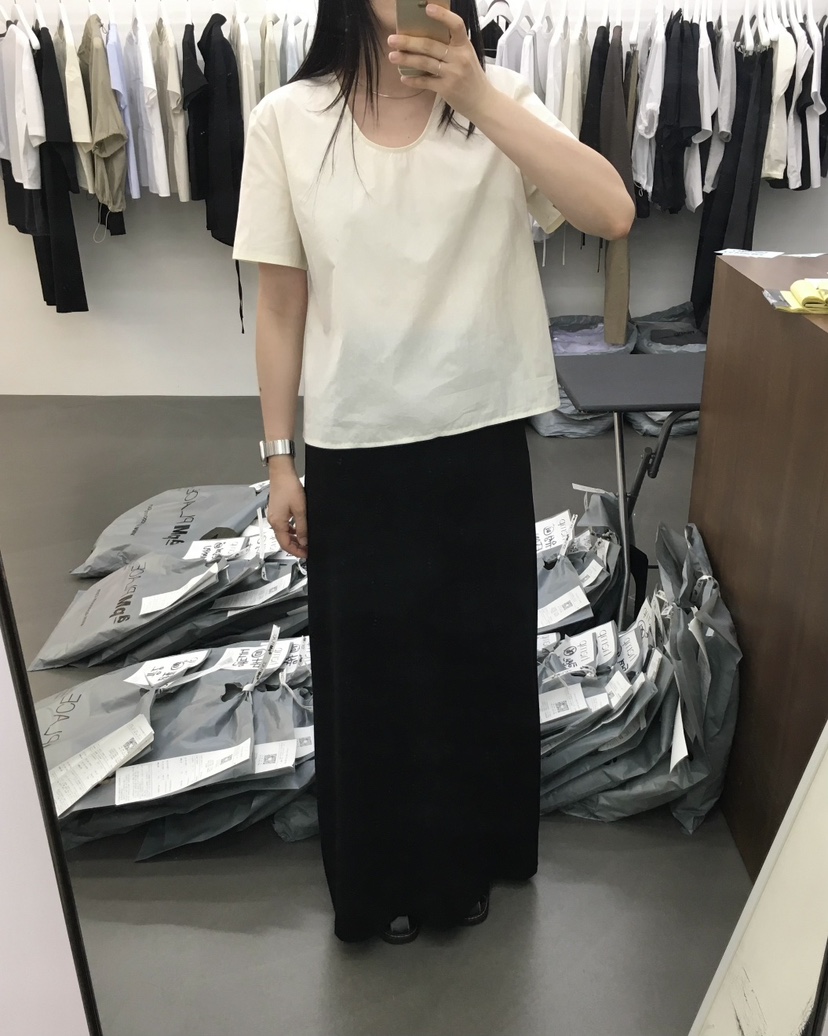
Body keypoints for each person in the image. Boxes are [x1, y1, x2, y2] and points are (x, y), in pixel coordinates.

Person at [233, 0, 634, 946]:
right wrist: (278, 458)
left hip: (478, 433)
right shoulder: (288, 119)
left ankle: (471, 859)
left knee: (476, 662)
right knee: (369, 672)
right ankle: (377, 878)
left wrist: (479, 96)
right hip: (355, 443)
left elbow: (612, 212)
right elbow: (280, 304)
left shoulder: (501, 102)